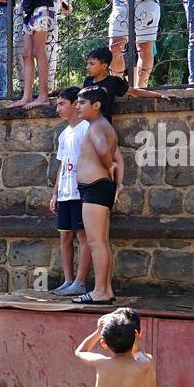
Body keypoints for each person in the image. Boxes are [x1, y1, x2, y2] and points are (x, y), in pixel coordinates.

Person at [72, 85, 125, 304]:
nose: (78, 106)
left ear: (97, 105)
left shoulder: (96, 126)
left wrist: (109, 165)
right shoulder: (100, 125)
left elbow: (104, 152)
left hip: (95, 186)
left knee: (96, 242)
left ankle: (100, 292)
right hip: (97, 187)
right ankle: (106, 289)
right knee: (101, 241)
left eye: (82, 103)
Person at [49, 87, 91, 297]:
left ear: (75, 103)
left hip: (80, 191)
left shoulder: (86, 128)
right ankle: (67, 280)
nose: (58, 108)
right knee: (64, 236)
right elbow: (62, 163)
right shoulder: (64, 133)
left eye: (62, 103)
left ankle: (80, 282)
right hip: (65, 192)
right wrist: (56, 192)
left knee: (83, 236)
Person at [80, 46, 171, 120]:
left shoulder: (113, 82)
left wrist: (159, 95)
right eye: (87, 64)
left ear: (104, 66)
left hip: (103, 126)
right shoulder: (87, 81)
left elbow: (135, 92)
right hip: (86, 126)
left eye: (91, 64)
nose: (87, 67)